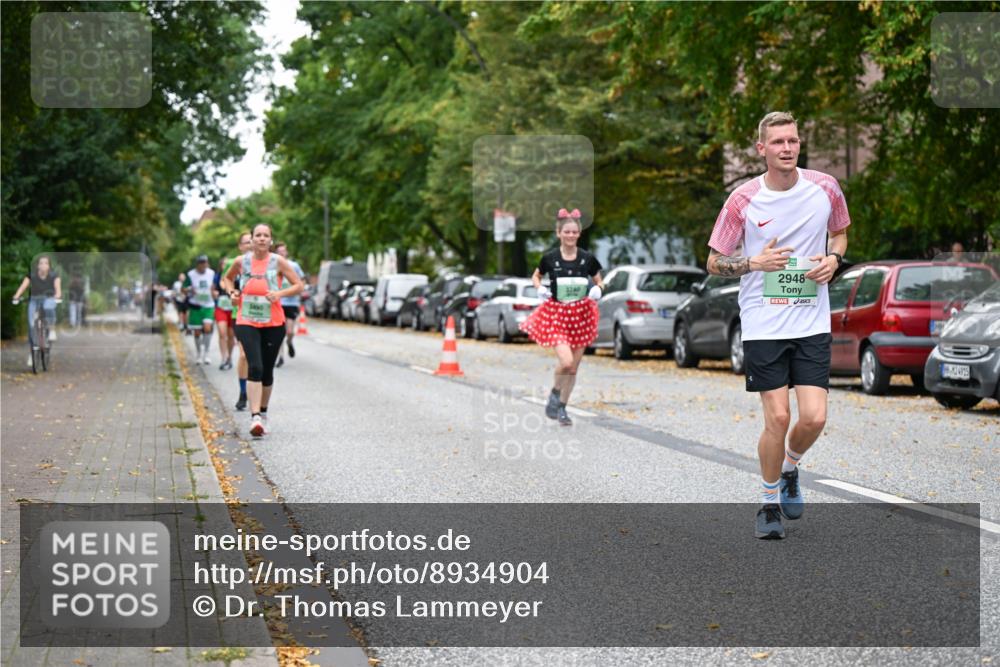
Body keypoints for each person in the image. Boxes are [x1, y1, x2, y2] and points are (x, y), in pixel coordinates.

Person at [706, 111, 850, 540]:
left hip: (811, 320)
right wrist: (754, 261)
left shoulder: (826, 188)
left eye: (793, 140)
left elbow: (840, 233)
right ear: (761, 149)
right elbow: (713, 261)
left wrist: (834, 259)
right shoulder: (743, 200)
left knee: (814, 418)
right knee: (778, 416)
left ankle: (790, 469)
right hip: (765, 324)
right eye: (778, 142)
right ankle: (768, 504)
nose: (787, 148)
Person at [520, 208, 604, 426]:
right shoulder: (550, 258)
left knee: (574, 368)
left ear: (579, 234)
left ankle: (563, 408)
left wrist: (598, 290)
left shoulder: (587, 258)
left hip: (582, 315)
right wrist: (539, 287)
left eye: (574, 232)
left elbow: (599, 280)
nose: (570, 236)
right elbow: (536, 276)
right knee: (565, 362)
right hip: (557, 314)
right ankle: (555, 393)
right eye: (566, 232)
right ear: (559, 233)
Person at [220, 223, 304, 437]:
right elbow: (227, 279)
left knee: (267, 370)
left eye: (266, 235)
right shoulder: (241, 261)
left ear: (271, 240)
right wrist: (232, 293)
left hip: (273, 323)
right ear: (252, 238)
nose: (262, 239)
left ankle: (264, 413)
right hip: (246, 320)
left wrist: (280, 294)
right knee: (254, 366)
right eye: (258, 235)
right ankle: (255, 417)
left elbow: (299, 285)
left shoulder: (278, 262)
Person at [12, 255, 62, 365]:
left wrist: (57, 297)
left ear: (49, 266)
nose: (43, 265)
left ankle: (52, 329)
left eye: (46, 263)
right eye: (41, 263)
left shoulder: (54, 276)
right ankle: (33, 352)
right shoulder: (32, 275)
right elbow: (22, 287)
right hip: (34, 300)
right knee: (31, 325)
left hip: (48, 298)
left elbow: (58, 290)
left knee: (48, 306)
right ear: (37, 265)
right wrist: (16, 296)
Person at [224, 233, 253, 409]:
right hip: (240, 313)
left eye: (252, 240)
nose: (250, 244)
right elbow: (225, 280)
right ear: (240, 246)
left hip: (262, 316)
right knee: (243, 354)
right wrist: (232, 292)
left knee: (257, 358)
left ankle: (256, 390)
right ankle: (243, 392)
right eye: (246, 242)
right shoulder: (236, 262)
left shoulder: (266, 262)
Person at [273, 242, 305, 367]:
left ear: (286, 252)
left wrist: (299, 289)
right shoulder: (273, 266)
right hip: (278, 302)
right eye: (279, 251)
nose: (282, 253)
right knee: (280, 332)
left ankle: (290, 342)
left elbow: (301, 280)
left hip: (292, 302)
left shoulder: (294, 265)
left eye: (283, 251)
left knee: (289, 331)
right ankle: (280, 357)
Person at [184, 255, 216, 365]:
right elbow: (183, 289)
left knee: (207, 328)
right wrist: (189, 290)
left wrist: (215, 292)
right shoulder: (191, 274)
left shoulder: (211, 273)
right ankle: (198, 353)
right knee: (197, 332)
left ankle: (206, 353)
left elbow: (214, 286)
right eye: (201, 263)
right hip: (195, 305)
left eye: (205, 263)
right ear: (197, 264)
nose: (203, 265)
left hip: (208, 305)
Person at [212, 257, 237, 370]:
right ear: (220, 266)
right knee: (222, 333)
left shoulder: (236, 276)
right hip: (221, 307)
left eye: (228, 264)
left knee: (231, 335)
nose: (226, 266)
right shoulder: (217, 276)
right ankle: (223, 357)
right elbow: (212, 289)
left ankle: (229, 357)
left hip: (233, 309)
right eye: (224, 264)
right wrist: (214, 294)